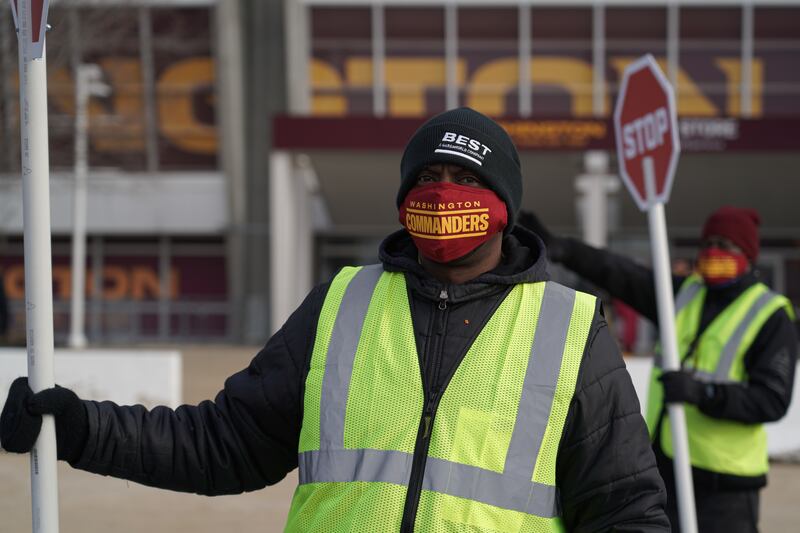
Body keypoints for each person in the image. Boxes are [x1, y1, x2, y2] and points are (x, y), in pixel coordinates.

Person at [0, 108, 669, 532]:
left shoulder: (570, 329)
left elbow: (626, 509)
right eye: (427, 176)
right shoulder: (342, 303)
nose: (442, 192)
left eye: (464, 179)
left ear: (503, 205)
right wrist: (80, 429)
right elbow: (222, 443)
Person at [519, 207, 798, 533]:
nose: (713, 252)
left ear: (748, 255)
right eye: (707, 243)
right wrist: (565, 249)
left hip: (726, 488)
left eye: (726, 245)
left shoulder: (771, 316)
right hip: (669, 470)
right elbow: (622, 273)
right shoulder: (684, 295)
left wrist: (704, 393)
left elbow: (772, 400)